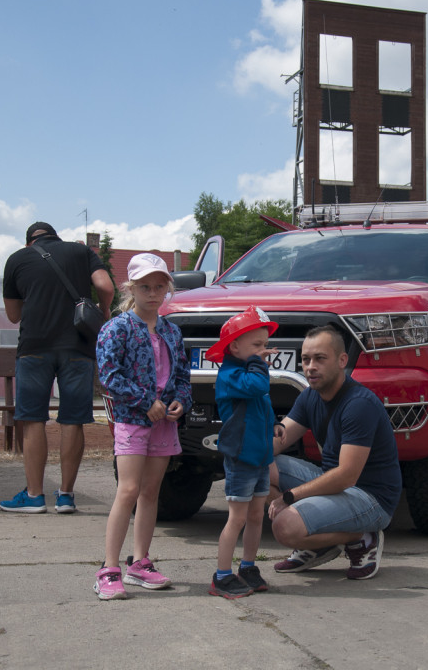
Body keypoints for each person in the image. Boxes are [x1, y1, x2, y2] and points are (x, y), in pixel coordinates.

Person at [268, 326, 402, 580]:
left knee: (285, 527)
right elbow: (278, 440)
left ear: (342, 361)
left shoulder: (359, 404)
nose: (310, 367)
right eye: (305, 360)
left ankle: (363, 536)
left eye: (320, 359)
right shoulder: (310, 396)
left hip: (370, 498)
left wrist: (289, 497)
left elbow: (346, 476)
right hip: (333, 483)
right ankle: (318, 542)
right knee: (257, 466)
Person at [0, 222, 115, 514]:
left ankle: (35, 496)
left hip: (34, 348)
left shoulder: (16, 259)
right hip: (77, 346)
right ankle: (65, 496)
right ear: (57, 237)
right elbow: (104, 286)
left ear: (30, 243)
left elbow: (13, 315)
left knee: (33, 418)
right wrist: (104, 310)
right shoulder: (80, 251)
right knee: (73, 419)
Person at [94, 253, 191, 600]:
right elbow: (109, 375)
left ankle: (140, 562)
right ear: (131, 288)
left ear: (167, 289)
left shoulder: (171, 332)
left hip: (164, 423)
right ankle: (108, 568)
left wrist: (181, 400)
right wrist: (143, 401)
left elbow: (182, 375)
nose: (153, 293)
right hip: (133, 421)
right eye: (145, 287)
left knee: (151, 492)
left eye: (159, 286)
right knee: (129, 490)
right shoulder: (117, 328)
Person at [208, 306, 283, 599]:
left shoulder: (249, 371)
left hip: (260, 456)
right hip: (241, 458)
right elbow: (258, 386)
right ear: (234, 346)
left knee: (256, 516)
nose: (263, 352)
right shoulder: (230, 375)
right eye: (256, 346)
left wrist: (274, 423)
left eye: (265, 345)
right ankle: (222, 575)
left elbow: (260, 402)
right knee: (237, 518)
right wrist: (257, 363)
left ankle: (248, 567)